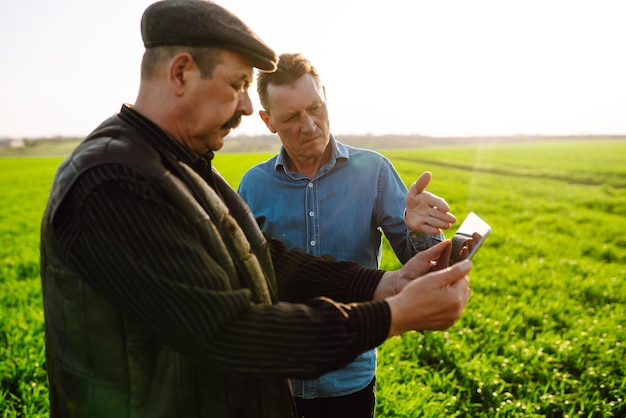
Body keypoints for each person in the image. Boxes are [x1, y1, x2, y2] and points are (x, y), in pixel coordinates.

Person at [39, 1, 472, 417]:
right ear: (181, 73)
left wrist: (386, 283)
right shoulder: (113, 180)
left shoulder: (178, 166)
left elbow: (265, 258)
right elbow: (227, 331)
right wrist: (392, 315)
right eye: (236, 85)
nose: (246, 107)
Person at [238, 52, 457, 418]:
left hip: (349, 375)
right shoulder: (253, 185)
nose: (309, 125)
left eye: (315, 108)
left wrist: (419, 232)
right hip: (275, 377)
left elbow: (421, 269)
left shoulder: (374, 171)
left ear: (325, 98)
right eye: (291, 117)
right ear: (268, 121)